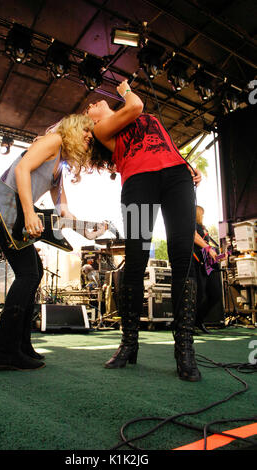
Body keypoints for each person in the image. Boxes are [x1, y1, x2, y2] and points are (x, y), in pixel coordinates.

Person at [85, 80, 203, 381]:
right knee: (136, 261)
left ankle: (185, 347)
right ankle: (129, 343)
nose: (91, 104)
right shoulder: (104, 129)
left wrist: (186, 163)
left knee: (182, 257)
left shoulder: (138, 119)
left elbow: (164, 143)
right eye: (89, 108)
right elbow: (136, 105)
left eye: (93, 103)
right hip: (139, 183)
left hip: (177, 177)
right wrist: (124, 89)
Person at [0, 113, 102, 371]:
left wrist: (85, 230)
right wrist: (31, 212)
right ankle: (6, 353)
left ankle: (21, 346)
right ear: (73, 128)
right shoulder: (53, 140)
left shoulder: (61, 166)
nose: (90, 136)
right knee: (28, 274)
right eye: (87, 130)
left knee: (35, 272)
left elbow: (63, 212)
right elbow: (22, 169)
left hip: (14, 213)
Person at [193, 206, 223, 333]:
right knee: (198, 295)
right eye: (202, 214)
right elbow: (194, 239)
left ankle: (199, 319)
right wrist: (207, 248)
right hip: (196, 263)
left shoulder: (204, 228)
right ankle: (192, 322)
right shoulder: (192, 225)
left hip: (207, 265)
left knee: (215, 293)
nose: (203, 216)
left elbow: (208, 248)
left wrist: (218, 256)